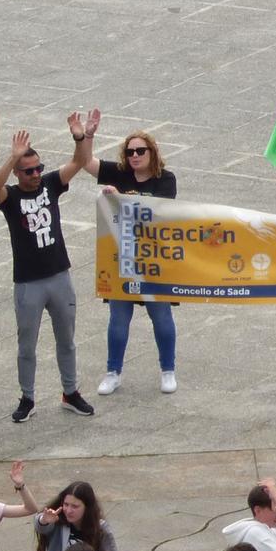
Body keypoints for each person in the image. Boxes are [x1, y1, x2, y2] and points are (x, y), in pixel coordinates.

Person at [0, 119, 97, 424]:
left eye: (38, 168)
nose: (36, 175)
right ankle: (27, 397)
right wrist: (12, 155)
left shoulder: (50, 183)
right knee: (27, 345)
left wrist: (79, 136)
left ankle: (70, 391)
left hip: (59, 276)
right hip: (28, 283)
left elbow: (79, 161)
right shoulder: (10, 197)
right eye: (28, 171)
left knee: (67, 339)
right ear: (17, 173)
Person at [90, 129, 180, 395]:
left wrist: (119, 196)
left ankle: (168, 370)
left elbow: (156, 211)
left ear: (152, 152)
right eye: (130, 152)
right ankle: (113, 372)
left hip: (154, 259)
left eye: (141, 151)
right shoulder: (120, 173)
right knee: (118, 319)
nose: (135, 156)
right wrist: (84, 137)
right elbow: (86, 163)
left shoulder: (166, 179)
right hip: (124, 259)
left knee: (161, 317)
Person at [26, 476, 119, 551]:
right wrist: (44, 520)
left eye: (75, 506)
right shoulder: (57, 519)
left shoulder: (100, 529)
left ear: (87, 508)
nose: (69, 510)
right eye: (66, 504)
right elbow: (41, 526)